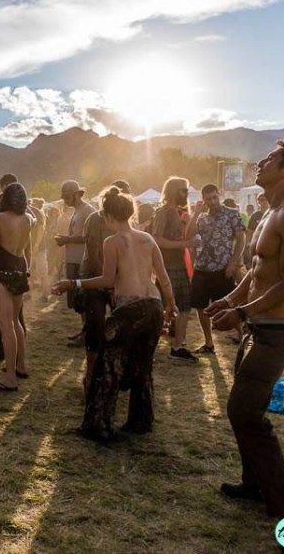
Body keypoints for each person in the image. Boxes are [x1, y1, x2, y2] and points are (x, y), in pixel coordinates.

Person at [206, 140, 284, 525]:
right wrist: (230, 300)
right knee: (244, 410)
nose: (260, 162)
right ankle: (253, 484)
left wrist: (241, 312)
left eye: (269, 159)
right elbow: (256, 270)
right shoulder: (270, 211)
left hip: (279, 330)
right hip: (258, 326)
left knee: (245, 411)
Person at [53, 187, 177, 442]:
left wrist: (73, 283)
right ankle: (141, 421)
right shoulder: (147, 239)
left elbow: (107, 280)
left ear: (108, 216)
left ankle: (99, 425)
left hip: (130, 308)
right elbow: (163, 278)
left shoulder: (113, 242)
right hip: (153, 306)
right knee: (143, 367)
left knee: (107, 366)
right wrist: (170, 304)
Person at [78, 180, 131, 394]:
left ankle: (118, 374)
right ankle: (91, 375)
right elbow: (93, 254)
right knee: (95, 326)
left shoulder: (125, 221)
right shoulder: (95, 220)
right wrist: (109, 284)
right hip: (94, 277)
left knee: (123, 327)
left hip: (116, 280)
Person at [0, 183, 33, 392]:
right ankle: (21, 365)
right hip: (20, 270)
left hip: (3, 273)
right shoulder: (29, 218)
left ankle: (10, 377)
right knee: (16, 321)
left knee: (6, 326)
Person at [186, 184, 245, 354]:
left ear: (219, 195)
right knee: (200, 306)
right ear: (203, 199)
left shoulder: (231, 213)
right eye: (208, 199)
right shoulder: (202, 217)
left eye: (214, 197)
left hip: (222, 267)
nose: (212, 201)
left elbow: (241, 239)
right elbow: (189, 234)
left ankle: (243, 336)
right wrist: (196, 212)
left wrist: (233, 262)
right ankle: (209, 342)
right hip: (202, 267)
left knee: (228, 304)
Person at [152, 176, 198, 361]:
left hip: (176, 265)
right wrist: (186, 244)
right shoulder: (164, 212)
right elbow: (157, 239)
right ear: (172, 191)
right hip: (169, 265)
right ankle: (176, 346)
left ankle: (178, 345)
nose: (187, 194)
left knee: (179, 306)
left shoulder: (175, 212)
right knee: (174, 306)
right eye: (183, 190)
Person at [55, 180, 95, 347]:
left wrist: (67, 239)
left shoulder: (88, 211)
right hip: (73, 258)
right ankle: (85, 330)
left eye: (66, 197)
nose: (64, 201)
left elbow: (89, 237)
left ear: (76, 194)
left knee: (83, 299)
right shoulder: (77, 210)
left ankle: (88, 333)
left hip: (81, 260)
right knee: (78, 301)